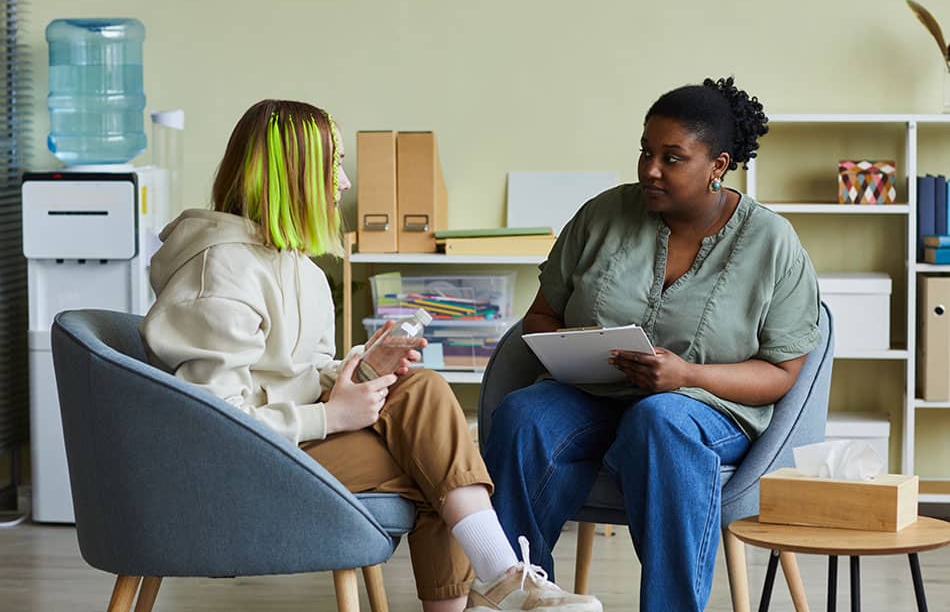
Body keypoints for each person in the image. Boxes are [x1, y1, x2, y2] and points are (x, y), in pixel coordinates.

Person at [139, 99, 602, 612]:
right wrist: (330, 415)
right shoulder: (220, 274)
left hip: (289, 443)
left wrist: (361, 370)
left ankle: (499, 581)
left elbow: (301, 371)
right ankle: (501, 579)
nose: (342, 183)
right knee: (434, 464)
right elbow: (212, 425)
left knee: (423, 397)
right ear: (294, 174)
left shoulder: (298, 268)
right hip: (236, 467)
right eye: (333, 165)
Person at [483, 78, 822, 612]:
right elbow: (540, 318)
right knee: (524, 414)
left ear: (718, 165)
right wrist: (578, 346)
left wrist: (688, 376)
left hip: (708, 409)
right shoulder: (602, 215)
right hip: (592, 394)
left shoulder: (771, 242)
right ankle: (520, 594)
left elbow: (782, 373)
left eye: (672, 157)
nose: (650, 169)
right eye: (645, 152)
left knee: (660, 420)